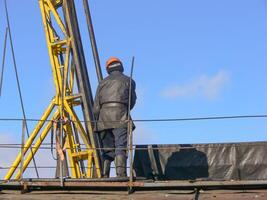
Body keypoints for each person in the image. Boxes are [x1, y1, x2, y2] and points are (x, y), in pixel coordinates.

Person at [93, 57, 137, 178]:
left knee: (107, 148)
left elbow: (96, 106)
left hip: (103, 119)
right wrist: (123, 109)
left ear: (108, 69)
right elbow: (132, 101)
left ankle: (104, 174)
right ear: (121, 67)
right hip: (121, 117)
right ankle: (121, 174)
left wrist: (96, 122)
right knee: (120, 145)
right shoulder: (129, 80)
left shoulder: (102, 82)